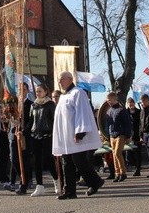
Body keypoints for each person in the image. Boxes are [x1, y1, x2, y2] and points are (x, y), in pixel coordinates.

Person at [52, 71, 104, 199]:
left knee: (79, 161)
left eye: (61, 79)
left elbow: (82, 113)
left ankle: (95, 181)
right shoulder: (63, 97)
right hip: (65, 137)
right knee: (67, 163)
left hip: (75, 136)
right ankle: (69, 191)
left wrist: (80, 132)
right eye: (59, 80)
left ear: (69, 79)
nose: (59, 82)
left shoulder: (78, 93)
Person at [28, 84, 58, 197]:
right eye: (36, 91)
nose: (38, 93)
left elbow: (55, 120)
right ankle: (39, 186)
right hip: (35, 135)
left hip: (47, 135)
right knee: (36, 162)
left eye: (40, 91)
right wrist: (22, 131)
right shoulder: (33, 105)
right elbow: (31, 122)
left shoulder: (50, 105)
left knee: (48, 160)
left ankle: (57, 181)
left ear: (46, 91)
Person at [106, 92, 132, 182]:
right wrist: (107, 136)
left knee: (117, 153)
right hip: (112, 135)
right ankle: (117, 173)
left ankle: (123, 172)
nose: (108, 101)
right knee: (113, 154)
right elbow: (108, 125)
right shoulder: (109, 111)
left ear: (114, 99)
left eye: (109, 99)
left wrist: (127, 135)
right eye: (107, 100)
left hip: (120, 134)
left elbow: (127, 123)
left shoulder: (121, 110)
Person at [126, 97, 143, 176]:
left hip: (137, 134)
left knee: (137, 153)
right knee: (128, 152)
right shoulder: (125, 112)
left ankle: (138, 169)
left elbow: (140, 124)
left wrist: (140, 135)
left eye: (132, 103)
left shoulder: (139, 112)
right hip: (128, 135)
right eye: (129, 103)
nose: (131, 104)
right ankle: (130, 165)